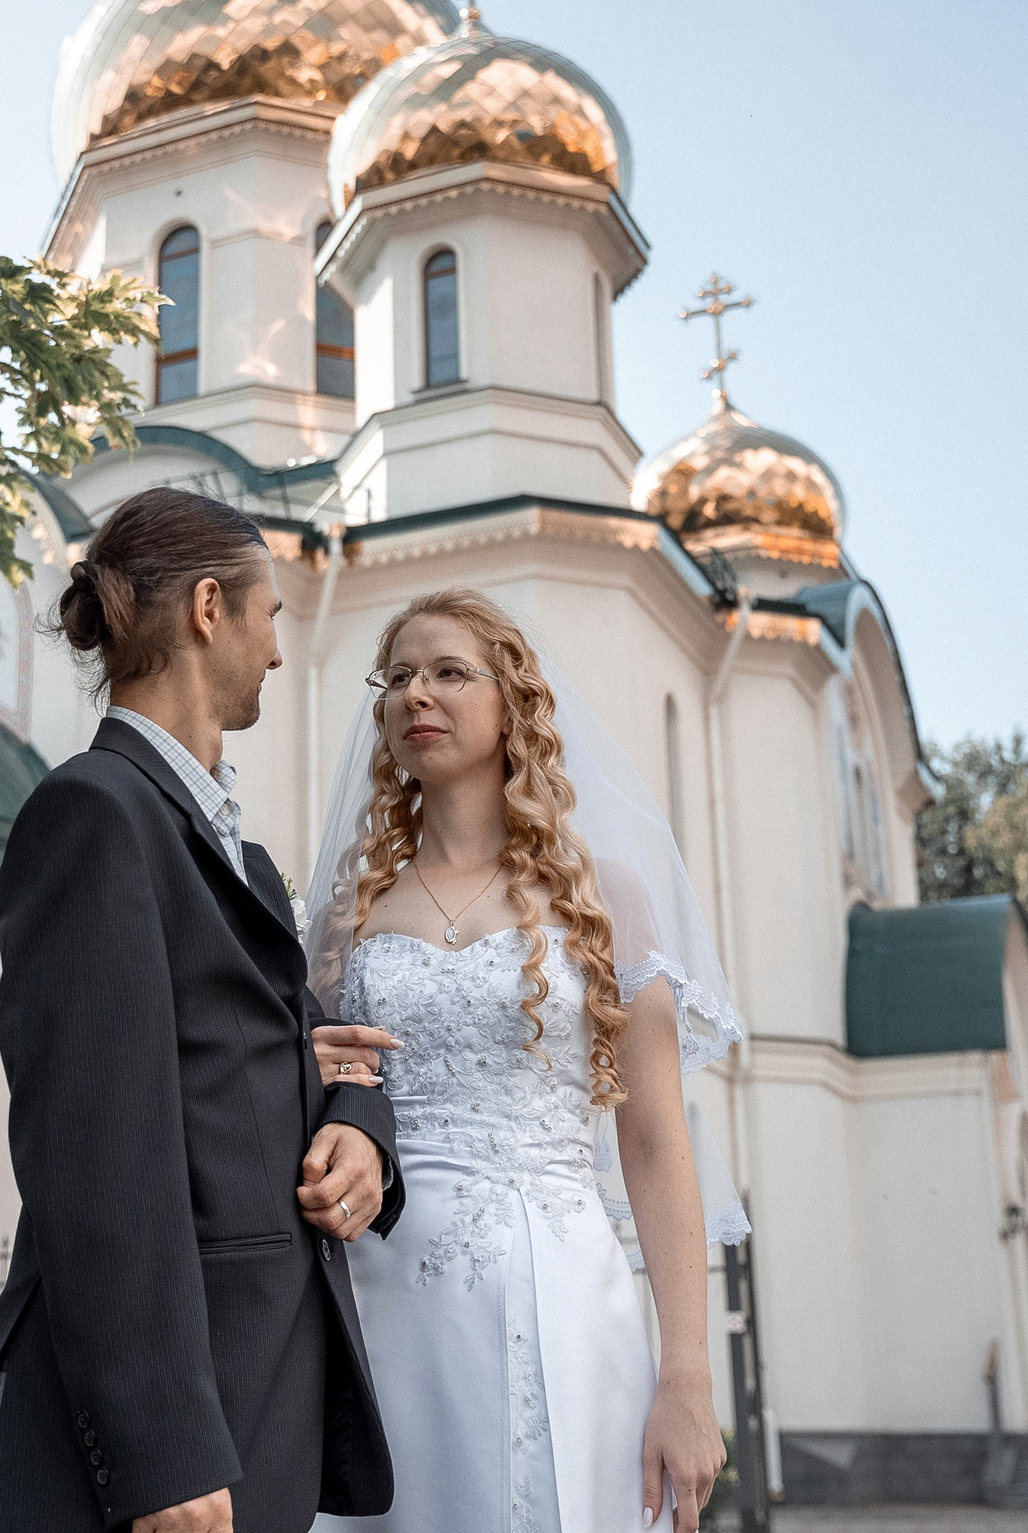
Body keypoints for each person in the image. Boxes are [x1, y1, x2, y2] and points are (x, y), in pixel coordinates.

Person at [0, 489, 402, 1533]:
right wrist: (160, 1448)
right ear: (208, 608)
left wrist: (360, 1127)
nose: (280, 652)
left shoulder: (233, 850)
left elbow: (298, 1040)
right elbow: (93, 1154)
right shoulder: (95, 812)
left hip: (259, 1396)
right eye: (269, 615)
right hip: (177, 1446)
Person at [301, 589, 750, 1533]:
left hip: (568, 1292)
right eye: (399, 677)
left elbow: (658, 1147)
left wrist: (688, 1374)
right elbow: (316, 1110)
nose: (416, 693)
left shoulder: (605, 900)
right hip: (386, 1293)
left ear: (513, 705)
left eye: (450, 672)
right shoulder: (348, 918)